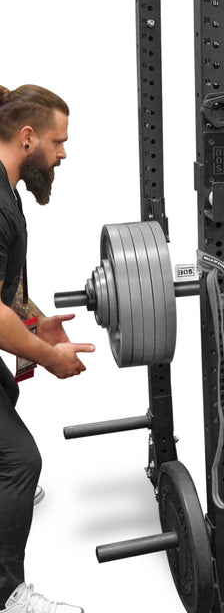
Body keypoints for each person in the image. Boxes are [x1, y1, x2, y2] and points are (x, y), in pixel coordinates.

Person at [0, 85, 95, 613]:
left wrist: (34, 323)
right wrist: (43, 353)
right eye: (58, 142)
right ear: (28, 137)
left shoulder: (8, 191)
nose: (63, 153)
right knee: (18, 463)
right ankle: (10, 597)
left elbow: (4, 291)